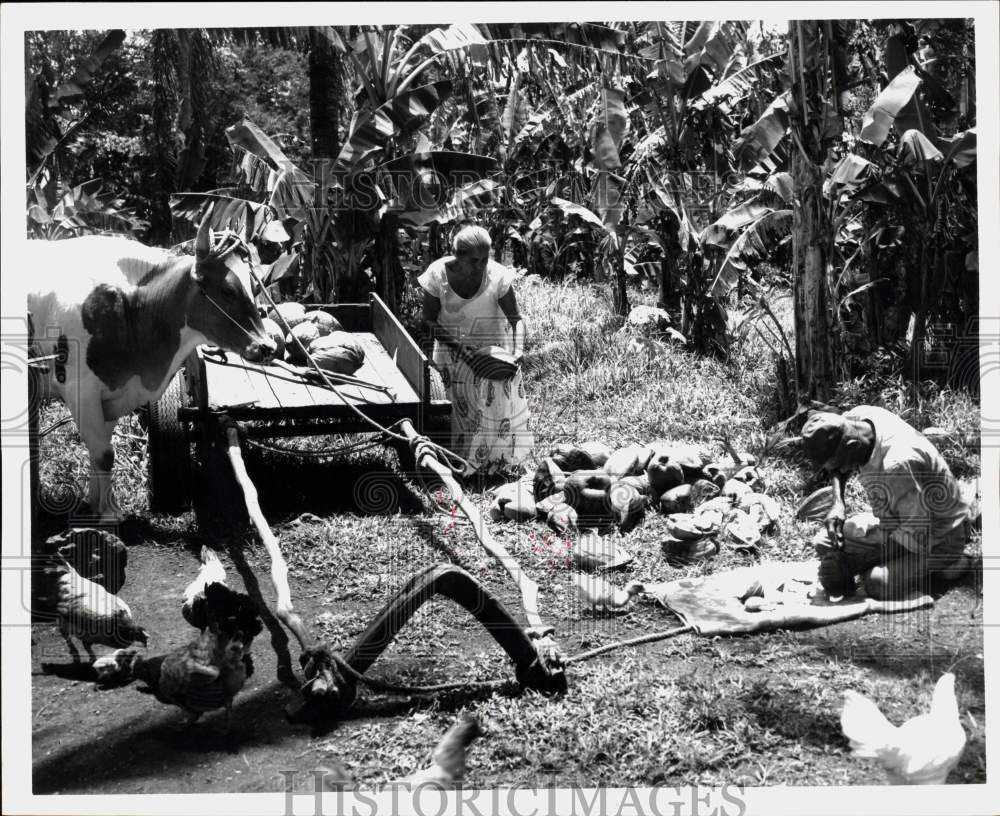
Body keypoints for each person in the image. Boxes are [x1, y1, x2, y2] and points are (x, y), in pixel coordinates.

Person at [800, 406, 972, 600]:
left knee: (876, 583)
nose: (836, 470)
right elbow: (837, 469)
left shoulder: (897, 464)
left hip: (939, 534)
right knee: (824, 542)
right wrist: (838, 503)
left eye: (837, 464)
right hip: (899, 520)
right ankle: (919, 568)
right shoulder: (856, 420)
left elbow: (914, 535)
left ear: (851, 446)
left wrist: (855, 565)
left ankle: (952, 562)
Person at [418, 225, 534, 475]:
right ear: (457, 255)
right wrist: (460, 348)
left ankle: (494, 463)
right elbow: (427, 320)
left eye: (485, 259)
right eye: (474, 260)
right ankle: (461, 463)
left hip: (491, 351)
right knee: (459, 411)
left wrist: (518, 349)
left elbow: (516, 318)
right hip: (452, 351)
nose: (481, 266)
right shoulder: (438, 274)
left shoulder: (498, 277)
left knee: (491, 408)